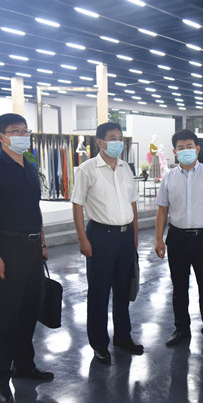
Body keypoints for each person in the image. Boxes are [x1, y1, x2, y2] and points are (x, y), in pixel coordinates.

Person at [0, 113, 53, 403]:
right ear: (1, 137)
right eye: (16, 131)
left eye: (25, 130)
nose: (23, 135)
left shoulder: (29, 167)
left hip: (32, 248)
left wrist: (42, 242)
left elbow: (35, 207)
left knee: (29, 311)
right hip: (7, 248)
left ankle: (24, 365)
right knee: (8, 317)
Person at [71, 122, 143, 365]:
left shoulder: (125, 168)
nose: (117, 142)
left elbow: (133, 202)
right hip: (100, 236)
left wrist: (134, 234)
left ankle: (123, 337)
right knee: (99, 292)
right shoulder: (87, 169)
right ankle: (99, 344)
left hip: (125, 237)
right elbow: (77, 205)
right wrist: (82, 238)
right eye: (113, 138)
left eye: (120, 138)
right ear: (100, 142)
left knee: (123, 290)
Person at [155, 129, 203, 353]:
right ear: (174, 152)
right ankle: (181, 329)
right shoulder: (169, 177)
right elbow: (162, 211)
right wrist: (159, 239)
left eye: (189, 146)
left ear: (197, 149)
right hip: (177, 239)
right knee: (179, 288)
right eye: (181, 147)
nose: (186, 150)